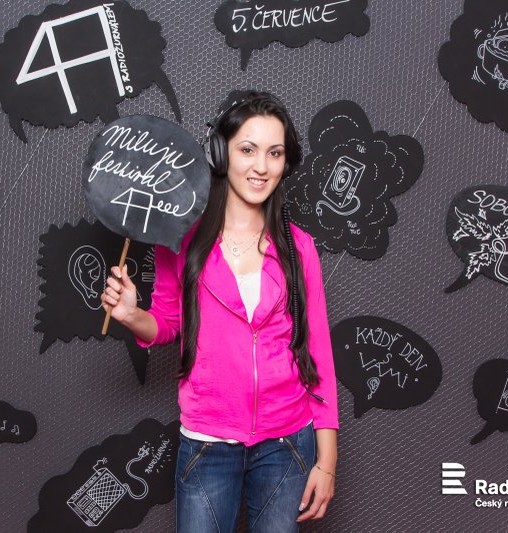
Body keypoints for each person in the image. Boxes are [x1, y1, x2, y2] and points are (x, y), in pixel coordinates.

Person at [101, 91, 338, 532]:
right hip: (208, 442)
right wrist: (132, 315)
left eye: (275, 153)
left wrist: (327, 460)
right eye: (247, 149)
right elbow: (167, 325)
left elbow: (318, 353)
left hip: (287, 442)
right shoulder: (181, 240)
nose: (261, 166)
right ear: (219, 152)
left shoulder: (299, 247)